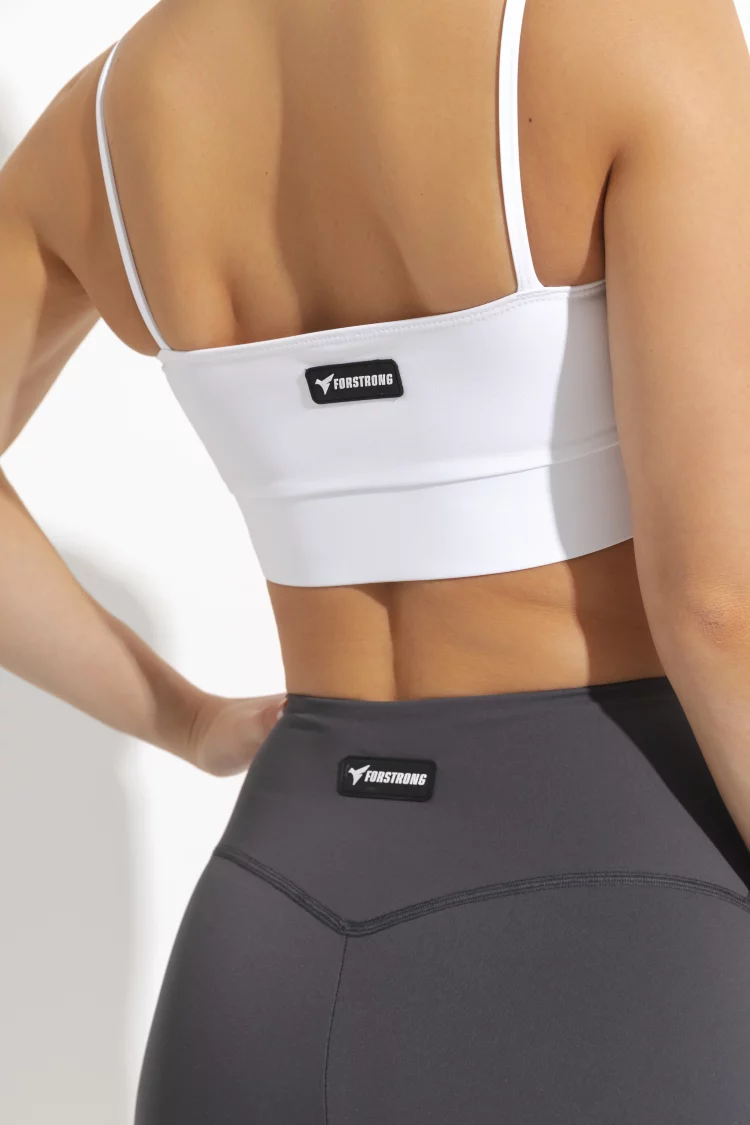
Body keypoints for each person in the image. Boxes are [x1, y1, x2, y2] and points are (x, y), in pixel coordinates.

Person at [3, 0, 750, 1118]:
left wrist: (187, 722)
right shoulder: (623, 30)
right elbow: (717, 608)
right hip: (629, 910)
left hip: (278, 927)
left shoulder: (105, 121)